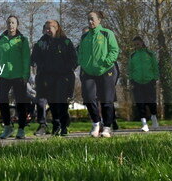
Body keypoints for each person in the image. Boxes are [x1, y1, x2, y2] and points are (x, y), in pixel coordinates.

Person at [77, 10, 120, 138]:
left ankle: (107, 127)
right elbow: (80, 53)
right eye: (88, 19)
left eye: (92, 19)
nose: (90, 22)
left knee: (107, 100)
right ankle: (96, 123)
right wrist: (83, 64)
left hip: (106, 70)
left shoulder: (107, 33)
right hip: (89, 72)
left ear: (99, 20)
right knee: (89, 99)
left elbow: (114, 50)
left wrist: (106, 62)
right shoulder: (85, 36)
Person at [30, 20, 77, 136]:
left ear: (56, 28)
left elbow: (74, 60)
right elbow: (34, 58)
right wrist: (39, 65)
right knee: (52, 103)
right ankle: (56, 125)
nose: (48, 30)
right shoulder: (41, 43)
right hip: (46, 77)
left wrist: (66, 70)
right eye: (46, 28)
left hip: (62, 77)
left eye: (50, 27)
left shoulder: (65, 42)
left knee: (60, 102)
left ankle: (63, 125)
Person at [0, 15, 31, 140]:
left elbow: (26, 59)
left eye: (13, 23)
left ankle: (21, 129)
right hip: (3, 75)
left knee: (20, 102)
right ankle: (8, 127)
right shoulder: (0, 40)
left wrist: (26, 75)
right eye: (9, 23)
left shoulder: (22, 40)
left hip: (19, 75)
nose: (11, 25)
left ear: (17, 25)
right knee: (2, 99)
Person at [129, 36, 161, 131]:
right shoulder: (132, 55)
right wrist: (131, 79)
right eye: (134, 45)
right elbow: (130, 69)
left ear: (142, 43)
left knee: (151, 102)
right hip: (137, 82)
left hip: (149, 81)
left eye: (138, 44)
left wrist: (155, 78)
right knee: (140, 103)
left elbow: (155, 67)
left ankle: (154, 118)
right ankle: (144, 123)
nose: (136, 46)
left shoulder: (150, 54)